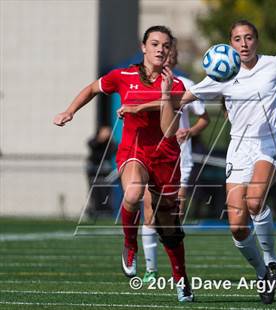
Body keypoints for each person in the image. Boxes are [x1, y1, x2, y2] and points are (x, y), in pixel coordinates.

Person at [118, 19, 276, 304]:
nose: (244, 43)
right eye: (237, 39)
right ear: (230, 44)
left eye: (248, 37)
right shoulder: (219, 74)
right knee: (237, 225)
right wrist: (141, 105)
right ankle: (263, 274)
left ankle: (272, 260)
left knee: (254, 201)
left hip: (268, 144)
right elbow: (180, 100)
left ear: (256, 41)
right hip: (238, 149)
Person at [53, 25, 194, 302]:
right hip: (134, 151)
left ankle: (181, 279)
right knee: (132, 193)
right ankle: (130, 245)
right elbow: (93, 88)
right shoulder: (123, 76)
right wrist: (69, 111)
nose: (160, 49)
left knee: (169, 227)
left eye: (165, 45)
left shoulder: (176, 84)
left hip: (165, 155)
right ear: (143, 47)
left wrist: (164, 96)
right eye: (154, 44)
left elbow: (168, 129)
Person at [141, 40, 209, 283]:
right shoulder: (146, 83)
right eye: (161, 51)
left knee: (173, 215)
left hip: (180, 159)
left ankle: (179, 271)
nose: (165, 56)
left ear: (175, 58)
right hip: (152, 156)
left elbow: (204, 118)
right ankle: (151, 270)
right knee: (149, 210)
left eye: (169, 52)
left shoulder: (187, 85)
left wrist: (188, 131)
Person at [86, 126, 117, 219]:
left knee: (105, 191)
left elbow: (113, 150)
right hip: (93, 170)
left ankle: (106, 211)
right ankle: (95, 211)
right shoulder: (94, 141)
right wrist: (101, 139)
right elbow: (91, 145)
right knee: (95, 191)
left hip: (105, 170)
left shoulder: (111, 143)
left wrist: (108, 139)